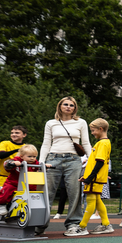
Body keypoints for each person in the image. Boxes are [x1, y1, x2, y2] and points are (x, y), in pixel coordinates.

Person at [39, 97, 91, 235]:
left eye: (71, 105)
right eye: (65, 104)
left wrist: (91, 161)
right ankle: (39, 223)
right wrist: (41, 162)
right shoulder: (51, 123)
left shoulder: (81, 122)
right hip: (53, 158)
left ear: (75, 108)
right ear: (60, 106)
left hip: (73, 160)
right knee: (47, 192)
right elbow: (46, 143)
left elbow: (85, 143)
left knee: (74, 192)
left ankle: (73, 224)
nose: (68, 107)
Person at [66, 119, 114, 236]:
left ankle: (82, 227)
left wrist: (89, 178)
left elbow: (99, 162)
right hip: (96, 178)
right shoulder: (103, 143)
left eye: (93, 130)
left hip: (95, 178)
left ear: (100, 129)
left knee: (90, 201)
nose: (92, 133)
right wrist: (86, 176)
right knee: (97, 201)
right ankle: (106, 224)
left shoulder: (102, 143)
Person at [0, 144, 41, 217]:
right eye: (29, 156)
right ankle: (1, 204)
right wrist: (13, 163)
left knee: (34, 193)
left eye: (34, 156)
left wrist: (45, 166)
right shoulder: (17, 160)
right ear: (21, 156)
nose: (32, 158)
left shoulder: (35, 163)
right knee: (7, 190)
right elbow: (6, 164)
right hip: (14, 183)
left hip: (27, 185)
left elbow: (39, 166)